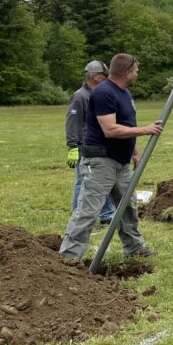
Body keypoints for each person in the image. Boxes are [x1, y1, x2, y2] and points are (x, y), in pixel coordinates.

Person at [60, 54, 164, 261]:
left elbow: (127, 123)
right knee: (88, 211)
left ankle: (134, 247)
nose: (137, 74)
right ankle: (68, 258)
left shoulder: (124, 93)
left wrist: (134, 152)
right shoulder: (103, 93)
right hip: (100, 162)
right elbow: (110, 129)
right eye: (135, 71)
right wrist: (146, 130)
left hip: (121, 161)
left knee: (128, 207)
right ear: (127, 73)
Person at [66, 60, 116, 224]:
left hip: (97, 145)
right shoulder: (80, 96)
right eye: (104, 75)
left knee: (101, 178)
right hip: (83, 146)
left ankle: (108, 214)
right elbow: (73, 121)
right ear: (94, 76)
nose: (107, 78)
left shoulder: (98, 94)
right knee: (82, 182)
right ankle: (77, 216)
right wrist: (73, 146)